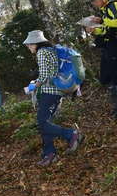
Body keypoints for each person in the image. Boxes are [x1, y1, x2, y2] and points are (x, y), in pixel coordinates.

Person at [23, 30, 82, 166]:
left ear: (35, 43)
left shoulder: (42, 52)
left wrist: (32, 87)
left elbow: (44, 76)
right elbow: (50, 72)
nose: (28, 47)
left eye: (29, 44)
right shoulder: (50, 50)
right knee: (45, 123)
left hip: (50, 92)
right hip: (56, 91)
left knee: (42, 123)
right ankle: (49, 153)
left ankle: (71, 134)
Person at [86, 0, 117, 118]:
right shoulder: (104, 11)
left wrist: (102, 21)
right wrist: (94, 31)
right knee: (106, 76)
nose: (94, 4)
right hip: (108, 46)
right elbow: (106, 30)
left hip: (116, 45)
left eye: (94, 1)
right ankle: (116, 106)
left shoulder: (113, 5)